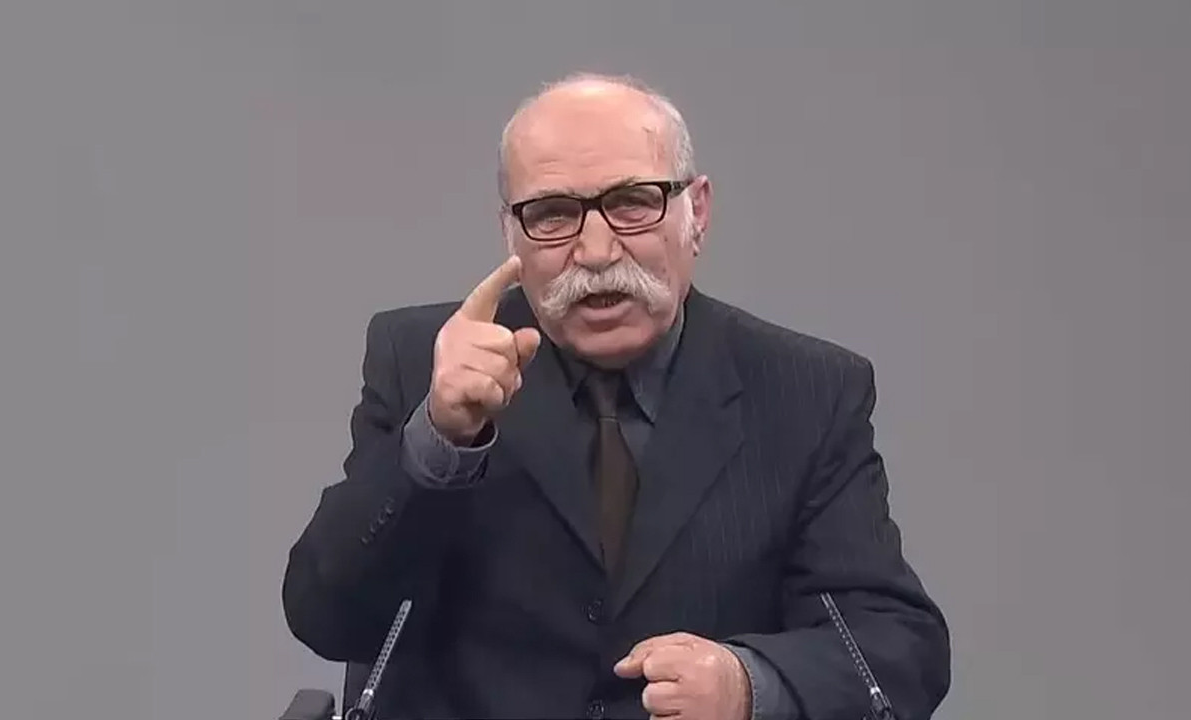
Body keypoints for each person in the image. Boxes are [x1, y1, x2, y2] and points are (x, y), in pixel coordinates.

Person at [282, 72, 950, 720]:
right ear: (509, 232)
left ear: (697, 213)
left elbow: (897, 649)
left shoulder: (807, 391)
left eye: (633, 202)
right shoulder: (422, 362)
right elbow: (326, 617)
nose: (597, 251)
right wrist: (438, 438)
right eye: (553, 214)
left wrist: (750, 686)